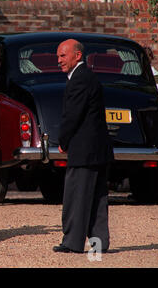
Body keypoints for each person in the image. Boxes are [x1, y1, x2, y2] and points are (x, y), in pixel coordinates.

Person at [54, 39, 113, 253]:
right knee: (97, 199)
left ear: (77, 55)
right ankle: (99, 244)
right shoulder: (87, 77)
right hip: (98, 150)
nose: (59, 60)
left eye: (63, 55)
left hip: (84, 149)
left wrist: (63, 141)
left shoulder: (79, 79)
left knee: (77, 196)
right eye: (58, 56)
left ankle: (72, 242)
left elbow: (73, 114)